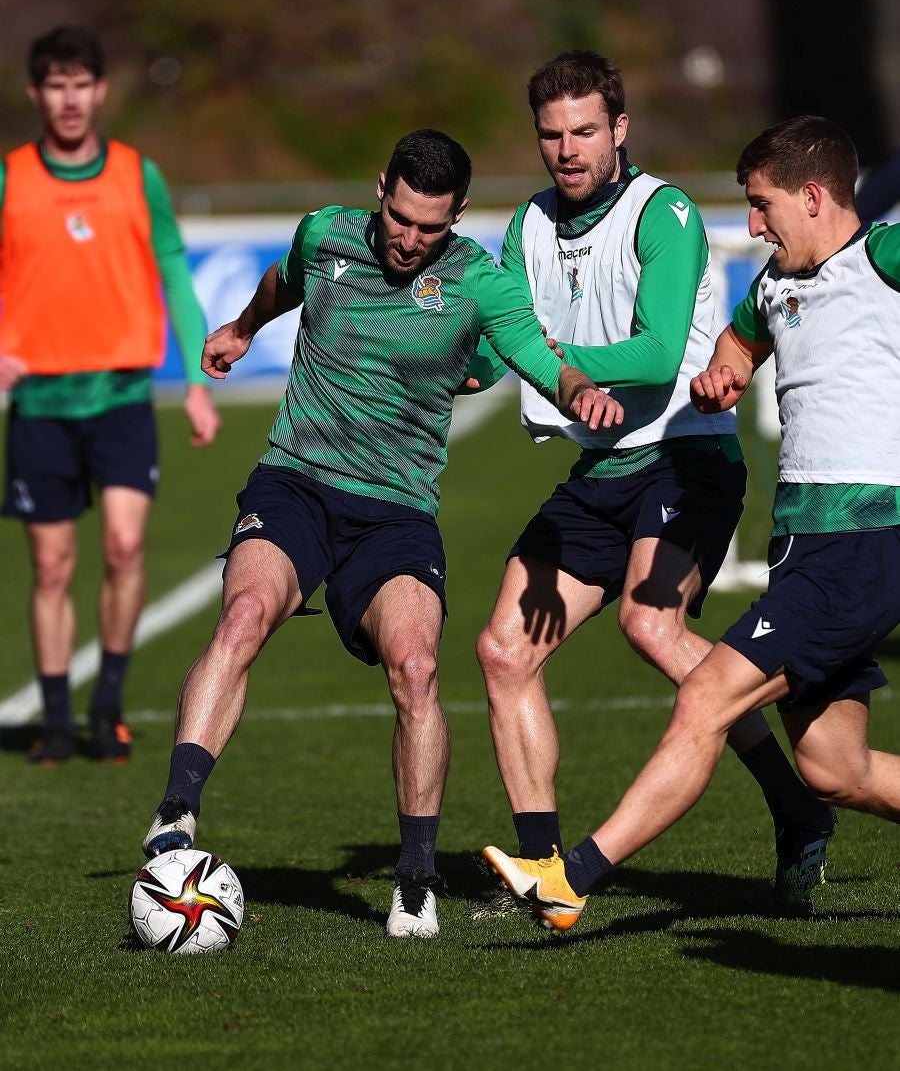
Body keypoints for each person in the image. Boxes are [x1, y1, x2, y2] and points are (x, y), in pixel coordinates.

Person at [139, 128, 617, 938]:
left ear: (457, 214)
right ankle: (177, 814)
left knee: (417, 667)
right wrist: (243, 328)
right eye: (400, 218)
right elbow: (279, 282)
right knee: (246, 614)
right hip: (296, 482)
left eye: (430, 228)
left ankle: (416, 879)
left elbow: (538, 353)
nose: (409, 239)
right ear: (381, 190)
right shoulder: (323, 233)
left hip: (395, 511)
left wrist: (578, 389)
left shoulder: (478, 282)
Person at [483, 114, 900, 933]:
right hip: (800, 544)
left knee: (706, 694)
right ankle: (799, 814)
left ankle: (573, 876)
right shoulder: (776, 283)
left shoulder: (880, 258)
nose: (751, 224)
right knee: (832, 766)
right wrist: (722, 379)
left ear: (813, 196)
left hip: (865, 539)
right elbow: (738, 347)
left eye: (760, 203)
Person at [0, 25, 220, 765]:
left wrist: (195, 380)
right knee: (53, 565)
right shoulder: (10, 179)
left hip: (123, 394)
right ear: (37, 94)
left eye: (81, 83)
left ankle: (107, 705)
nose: (69, 98)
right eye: (55, 85)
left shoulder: (136, 174)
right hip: (41, 407)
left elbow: (174, 273)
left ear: (100, 91)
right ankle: (56, 717)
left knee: (125, 547)